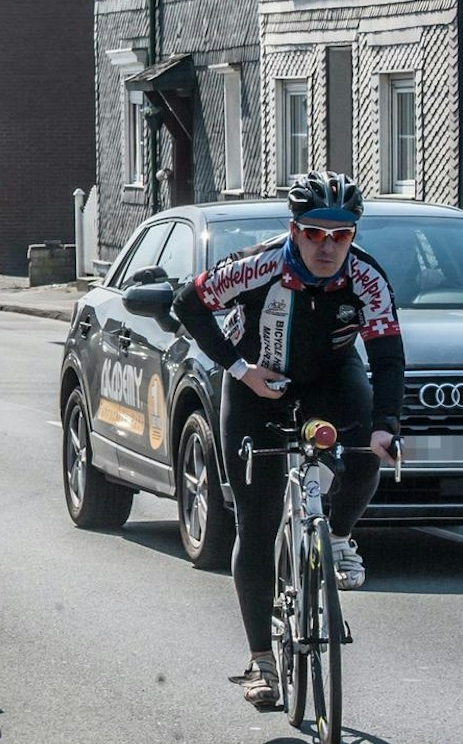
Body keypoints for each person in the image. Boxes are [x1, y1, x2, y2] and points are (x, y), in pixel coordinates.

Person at [171, 171, 404, 709]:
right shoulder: (260, 265)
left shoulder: (366, 278)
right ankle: (261, 660)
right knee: (255, 523)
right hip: (258, 382)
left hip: (330, 377)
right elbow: (188, 303)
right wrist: (239, 367)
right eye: (315, 233)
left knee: (369, 449)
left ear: (354, 236)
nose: (328, 246)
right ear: (295, 230)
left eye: (341, 235)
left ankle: (339, 536)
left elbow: (389, 357)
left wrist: (387, 424)